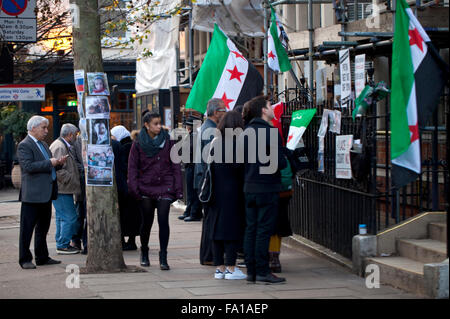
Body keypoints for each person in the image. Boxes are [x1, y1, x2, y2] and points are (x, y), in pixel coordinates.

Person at [241, 95, 287, 284]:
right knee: (263, 231)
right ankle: (262, 270)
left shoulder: (245, 132)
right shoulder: (271, 132)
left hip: (250, 186)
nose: (272, 108)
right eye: (269, 105)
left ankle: (251, 271)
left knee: (251, 229)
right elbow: (279, 163)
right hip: (267, 187)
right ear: (263, 110)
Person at [128, 112, 183, 270]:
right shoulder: (138, 143)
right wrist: (134, 189)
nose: (159, 126)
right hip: (145, 187)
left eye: (160, 123)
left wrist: (177, 190)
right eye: (155, 124)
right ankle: (144, 251)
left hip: (165, 187)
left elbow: (176, 166)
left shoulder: (168, 141)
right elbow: (132, 168)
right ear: (146, 125)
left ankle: (163, 255)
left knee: (163, 220)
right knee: (146, 222)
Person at [17, 116, 67, 269]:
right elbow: (28, 167)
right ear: (33, 128)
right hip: (32, 195)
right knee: (27, 229)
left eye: (46, 127)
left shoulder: (44, 144)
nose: (46, 131)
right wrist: (50, 162)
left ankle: (42, 256)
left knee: (43, 228)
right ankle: (25, 259)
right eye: (43, 128)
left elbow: (47, 166)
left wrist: (58, 164)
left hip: (46, 192)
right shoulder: (25, 145)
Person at [208, 111, 247, 280]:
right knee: (231, 229)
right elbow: (242, 169)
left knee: (216, 229)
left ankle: (220, 268)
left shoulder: (215, 142)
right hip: (233, 191)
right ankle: (231, 267)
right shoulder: (239, 143)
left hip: (215, 191)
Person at [194, 98, 226, 265]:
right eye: (223, 110)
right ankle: (208, 256)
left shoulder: (206, 128)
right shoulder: (211, 131)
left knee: (209, 220)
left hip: (204, 179)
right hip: (209, 181)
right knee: (211, 221)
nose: (225, 113)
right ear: (215, 113)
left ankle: (208, 255)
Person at [50, 123, 81, 255]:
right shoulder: (60, 147)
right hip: (62, 189)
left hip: (63, 188)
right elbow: (57, 169)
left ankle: (61, 243)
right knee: (70, 217)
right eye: (75, 135)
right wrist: (70, 178)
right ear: (69, 135)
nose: (76, 137)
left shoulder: (62, 145)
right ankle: (63, 245)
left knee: (62, 217)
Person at [111, 125, 141, 251]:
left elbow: (122, 167)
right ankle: (132, 241)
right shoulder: (135, 144)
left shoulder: (121, 147)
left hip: (125, 186)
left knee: (122, 215)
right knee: (134, 215)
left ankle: (123, 241)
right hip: (136, 186)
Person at [269, 153, 294, 273]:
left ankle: (272, 258)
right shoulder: (283, 152)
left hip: (271, 192)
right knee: (277, 225)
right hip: (284, 192)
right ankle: (275, 258)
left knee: (270, 226)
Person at [178, 115, 203, 222]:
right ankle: (189, 211)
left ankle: (194, 212)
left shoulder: (194, 136)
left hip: (192, 165)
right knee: (190, 191)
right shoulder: (191, 135)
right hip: (190, 165)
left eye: (188, 125)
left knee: (193, 190)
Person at [71, 133, 88, 254]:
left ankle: (84, 243)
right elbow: (74, 163)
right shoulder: (76, 144)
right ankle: (76, 240)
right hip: (81, 185)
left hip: (86, 184)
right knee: (80, 215)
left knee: (84, 215)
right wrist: (85, 169)